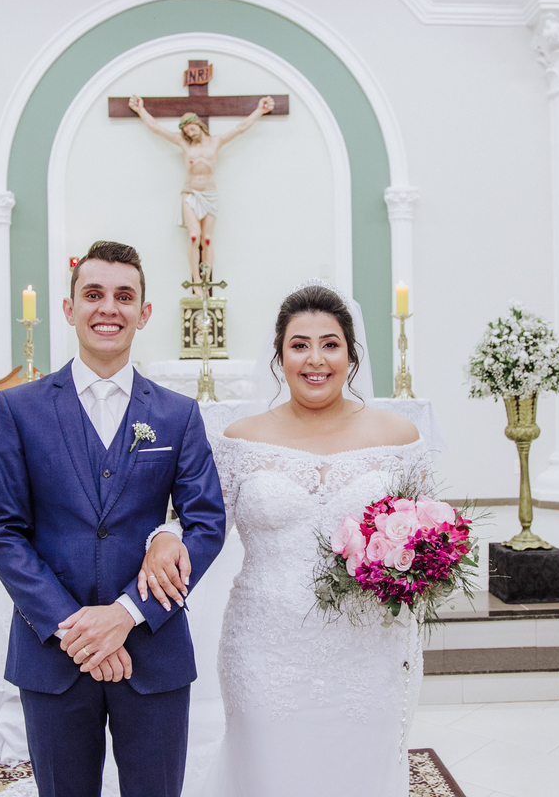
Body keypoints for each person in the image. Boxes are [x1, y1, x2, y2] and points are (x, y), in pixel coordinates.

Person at [138, 281, 428, 796]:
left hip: (367, 651)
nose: (315, 359)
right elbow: (201, 522)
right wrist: (164, 536)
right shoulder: (241, 439)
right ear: (279, 356)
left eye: (330, 344)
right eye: (299, 345)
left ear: (351, 354)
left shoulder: (398, 437)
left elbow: (427, 538)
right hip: (265, 649)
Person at [0, 240, 227, 797]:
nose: (108, 308)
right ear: (70, 309)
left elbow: (206, 523)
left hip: (153, 650)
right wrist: (76, 628)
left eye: (123, 296)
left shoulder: (178, 414)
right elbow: (1, 529)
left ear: (144, 312)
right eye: (93, 294)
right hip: (53, 654)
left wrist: (126, 613)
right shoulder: (20, 409)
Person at [127, 96, 274, 295]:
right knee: (194, 236)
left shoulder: (216, 141)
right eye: (185, 130)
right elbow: (157, 128)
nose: (189, 132)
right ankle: (196, 280)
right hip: (189, 194)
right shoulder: (184, 144)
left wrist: (260, 110)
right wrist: (140, 110)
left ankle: (206, 280)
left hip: (209, 194)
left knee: (207, 239)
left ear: (198, 124)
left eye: (191, 127)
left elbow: (240, 128)